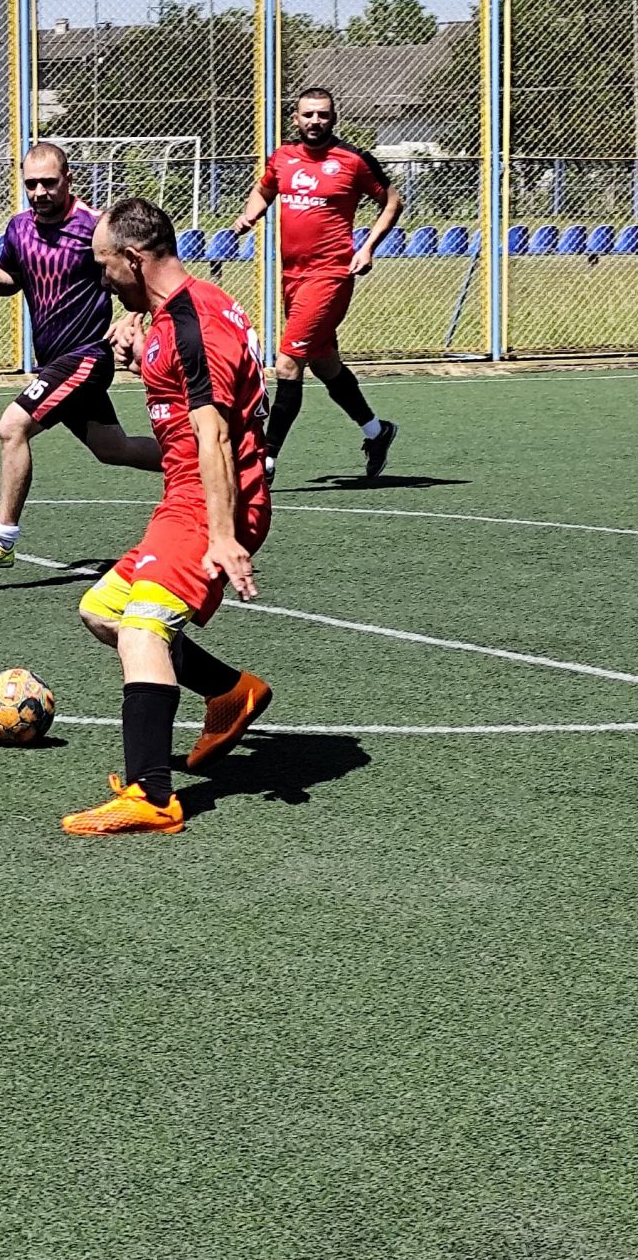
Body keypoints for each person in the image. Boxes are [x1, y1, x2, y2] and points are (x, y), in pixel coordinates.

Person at [64, 196, 276, 838]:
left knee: (142, 629)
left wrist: (224, 535)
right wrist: (141, 342)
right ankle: (229, 692)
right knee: (102, 611)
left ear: (133, 258)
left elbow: (215, 435)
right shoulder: (176, 312)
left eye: (104, 264)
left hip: (211, 502)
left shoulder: (193, 325)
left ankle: (152, 796)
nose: (101, 277)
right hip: (183, 497)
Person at [0, 141, 159, 568]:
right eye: (31, 184)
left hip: (86, 356)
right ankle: (212, 464)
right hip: (55, 363)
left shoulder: (96, 227)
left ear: (68, 179)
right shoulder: (18, 228)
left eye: (48, 182)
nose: (40, 192)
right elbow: (13, 276)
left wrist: (132, 318)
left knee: (12, 427)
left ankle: (1, 539)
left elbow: (143, 273)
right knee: (113, 449)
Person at [230, 88, 402, 479]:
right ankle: (376, 432)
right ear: (295, 118)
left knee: (288, 363)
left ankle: (265, 459)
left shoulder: (353, 160)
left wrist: (368, 247)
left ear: (333, 118)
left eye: (323, 114)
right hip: (293, 276)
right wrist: (250, 216)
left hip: (331, 276)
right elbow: (264, 189)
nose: (315, 121)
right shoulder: (283, 157)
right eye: (308, 114)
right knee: (324, 363)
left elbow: (392, 201)